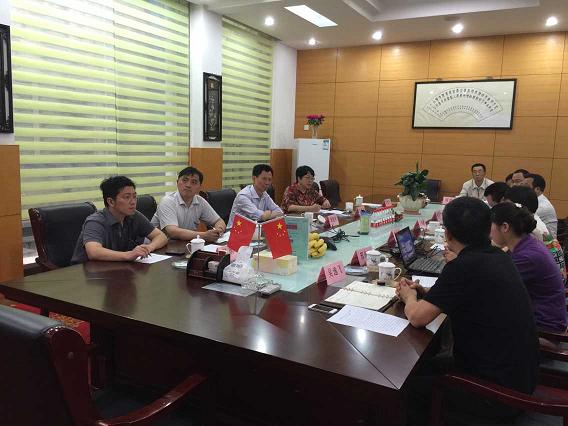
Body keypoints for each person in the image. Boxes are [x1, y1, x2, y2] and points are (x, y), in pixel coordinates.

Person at [397, 197, 538, 425]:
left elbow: (417, 317)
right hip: (517, 376)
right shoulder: (498, 256)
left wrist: (409, 296)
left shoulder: (463, 266)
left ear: (448, 234)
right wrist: (427, 292)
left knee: (403, 388)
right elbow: (468, 290)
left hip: (497, 395)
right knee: (417, 368)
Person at [490, 202, 567, 332]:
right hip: (539, 317)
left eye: (491, 224)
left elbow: (494, 286)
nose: (489, 231)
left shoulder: (527, 257)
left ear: (505, 227)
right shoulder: (528, 243)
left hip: (544, 327)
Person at [71, 176, 167, 263]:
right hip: (85, 272)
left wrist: (149, 247)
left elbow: (161, 236)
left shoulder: (134, 215)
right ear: (111, 202)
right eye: (127, 197)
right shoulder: (95, 222)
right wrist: (128, 255)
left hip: (116, 268)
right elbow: (94, 252)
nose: (133, 202)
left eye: (134, 196)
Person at [504, 185, 566, 281]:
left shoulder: (531, 230)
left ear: (519, 207)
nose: (504, 210)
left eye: (507, 206)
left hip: (544, 285)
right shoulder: (533, 221)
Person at [151, 167, 226, 243]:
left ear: (200, 187)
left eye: (194, 182)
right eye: (185, 180)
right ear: (177, 182)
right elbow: (172, 232)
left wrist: (218, 231)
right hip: (158, 246)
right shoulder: (167, 201)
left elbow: (218, 221)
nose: (188, 185)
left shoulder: (200, 201)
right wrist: (203, 235)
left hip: (183, 245)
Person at [524, 173, 558, 237]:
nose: (522, 189)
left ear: (537, 189)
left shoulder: (542, 206)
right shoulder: (531, 201)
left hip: (547, 242)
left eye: (526, 187)